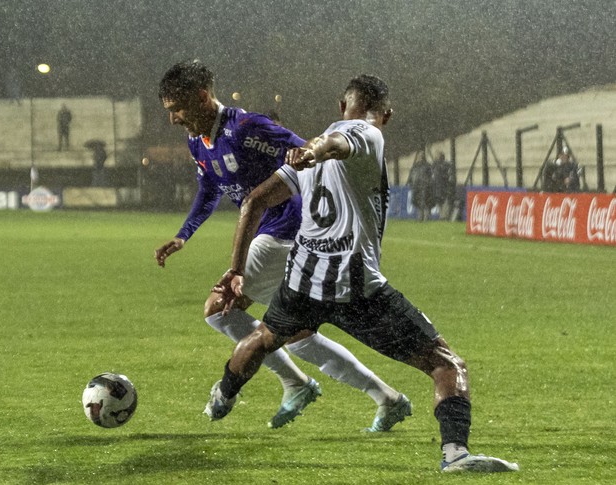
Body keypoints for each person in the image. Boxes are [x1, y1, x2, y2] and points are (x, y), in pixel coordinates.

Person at [205, 74, 519, 473]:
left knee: (264, 337)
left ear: (341, 105)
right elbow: (338, 143)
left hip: (302, 280)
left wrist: (235, 270)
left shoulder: (306, 149)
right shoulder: (366, 134)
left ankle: (223, 395)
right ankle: (456, 454)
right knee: (445, 364)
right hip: (355, 286)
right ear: (386, 114)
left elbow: (253, 202)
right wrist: (317, 152)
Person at [155, 61, 410, 431]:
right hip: (275, 233)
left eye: (177, 108)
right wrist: (183, 234)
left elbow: (304, 150)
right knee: (297, 333)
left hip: (285, 229)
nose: (174, 118)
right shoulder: (199, 141)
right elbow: (210, 189)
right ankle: (385, 397)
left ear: (201, 97)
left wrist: (317, 166)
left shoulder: (246, 128)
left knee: (219, 307)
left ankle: (296, 384)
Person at [407, 152, 433, 221]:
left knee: (425, 202)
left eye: (421, 156)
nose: (420, 158)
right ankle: (420, 217)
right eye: (419, 156)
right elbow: (411, 175)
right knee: (418, 202)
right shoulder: (415, 166)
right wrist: (410, 182)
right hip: (416, 186)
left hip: (424, 186)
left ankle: (425, 217)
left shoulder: (427, 166)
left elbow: (430, 176)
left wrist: (428, 184)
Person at [431, 151, 456, 220]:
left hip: (440, 187)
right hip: (442, 186)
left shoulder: (435, 165)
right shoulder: (445, 165)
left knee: (442, 202)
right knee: (443, 202)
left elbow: (433, 176)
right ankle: (443, 216)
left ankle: (443, 216)